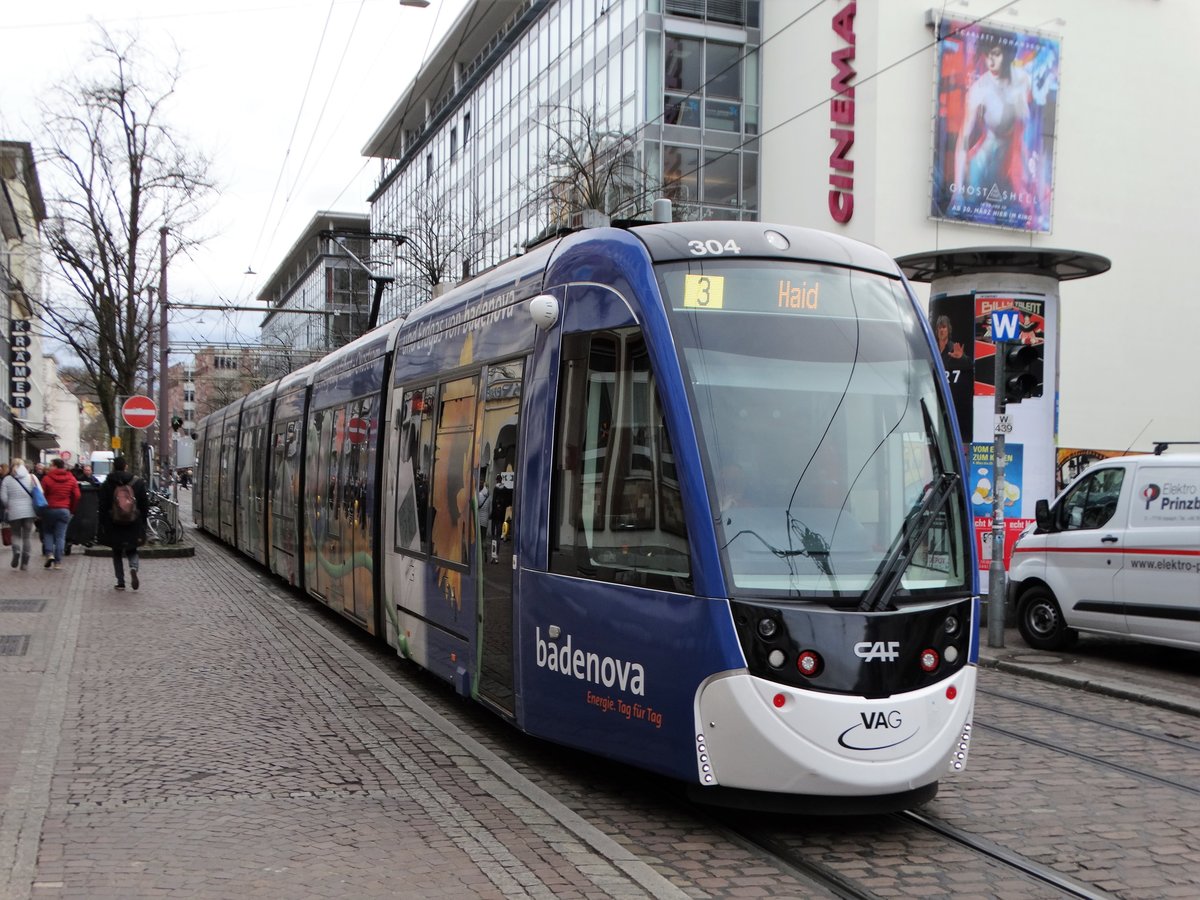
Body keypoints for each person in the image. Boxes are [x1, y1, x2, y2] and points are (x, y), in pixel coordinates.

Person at [953, 30, 1031, 204]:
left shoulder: (1024, 80)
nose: (990, 61)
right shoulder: (979, 90)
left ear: (1008, 53)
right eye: (986, 54)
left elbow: (1023, 131)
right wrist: (957, 192)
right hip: (984, 163)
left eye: (996, 54)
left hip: (1013, 163)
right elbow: (963, 139)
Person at [97, 457, 149, 591]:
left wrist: (102, 523)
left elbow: (102, 505)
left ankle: (120, 582)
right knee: (132, 548)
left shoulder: (107, 483)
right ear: (126, 466)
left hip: (114, 522)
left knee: (117, 551)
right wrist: (142, 520)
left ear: (114, 467)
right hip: (133, 521)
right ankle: (133, 567)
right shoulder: (137, 482)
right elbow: (144, 503)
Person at [40, 458, 79, 569]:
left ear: (56, 466)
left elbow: (42, 495)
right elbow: (77, 495)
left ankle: (49, 554)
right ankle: (58, 562)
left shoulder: (47, 478)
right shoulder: (71, 479)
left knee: (48, 533)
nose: (50, 467)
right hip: (64, 509)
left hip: (49, 509)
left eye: (51, 465)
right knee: (60, 536)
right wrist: (71, 508)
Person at [1, 459, 40, 570]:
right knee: (27, 536)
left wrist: (8, 505)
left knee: (15, 534)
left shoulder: (7, 479)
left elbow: (3, 497)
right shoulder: (32, 477)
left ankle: (16, 550)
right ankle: (25, 562)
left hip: (14, 511)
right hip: (29, 511)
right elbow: (40, 493)